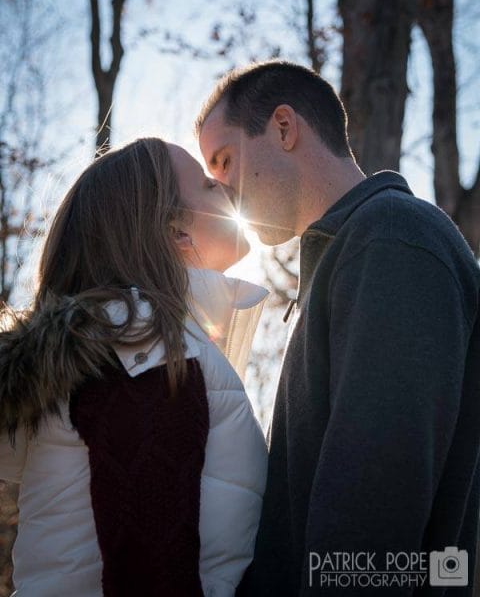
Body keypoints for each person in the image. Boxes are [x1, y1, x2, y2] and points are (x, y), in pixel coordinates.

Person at [196, 60, 480, 596]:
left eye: (225, 161)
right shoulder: (352, 253)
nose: (223, 190)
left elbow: (376, 495)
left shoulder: (391, 239)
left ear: (284, 127)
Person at [0, 137, 269, 597]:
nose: (227, 186)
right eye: (208, 185)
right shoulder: (140, 340)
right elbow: (150, 572)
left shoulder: (140, 339)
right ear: (175, 233)